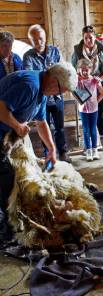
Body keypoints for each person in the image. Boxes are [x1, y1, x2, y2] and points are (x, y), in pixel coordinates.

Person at [0, 62, 78, 241]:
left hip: (7, 136)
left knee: (14, 176)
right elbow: (1, 109)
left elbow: (41, 122)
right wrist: (18, 126)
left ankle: (12, 218)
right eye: (60, 90)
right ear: (53, 80)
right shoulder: (29, 85)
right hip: (3, 134)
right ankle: (5, 229)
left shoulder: (42, 93)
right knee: (7, 179)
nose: (59, 95)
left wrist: (51, 149)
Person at [23, 24, 71, 163]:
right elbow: (30, 75)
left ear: (45, 37)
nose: (39, 42)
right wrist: (48, 73)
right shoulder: (28, 56)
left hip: (56, 97)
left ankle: (63, 153)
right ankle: (49, 155)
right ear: (30, 41)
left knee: (60, 128)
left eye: (41, 39)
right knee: (44, 127)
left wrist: (52, 74)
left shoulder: (55, 51)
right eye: (35, 40)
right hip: (40, 98)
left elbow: (62, 71)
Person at [72, 25, 103, 151]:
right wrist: (79, 78)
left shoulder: (102, 50)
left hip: (97, 84)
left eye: (91, 37)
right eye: (86, 38)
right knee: (85, 115)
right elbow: (73, 68)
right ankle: (87, 145)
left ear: (95, 37)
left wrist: (101, 78)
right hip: (83, 85)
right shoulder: (78, 52)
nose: (88, 40)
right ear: (83, 38)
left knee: (99, 113)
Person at [77, 58, 103, 161]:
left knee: (93, 129)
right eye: (82, 69)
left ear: (91, 69)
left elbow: (102, 92)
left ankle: (95, 150)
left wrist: (97, 101)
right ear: (79, 69)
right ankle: (88, 150)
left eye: (86, 69)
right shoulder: (77, 80)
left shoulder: (94, 80)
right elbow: (74, 93)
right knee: (85, 130)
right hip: (83, 109)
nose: (84, 71)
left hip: (94, 109)